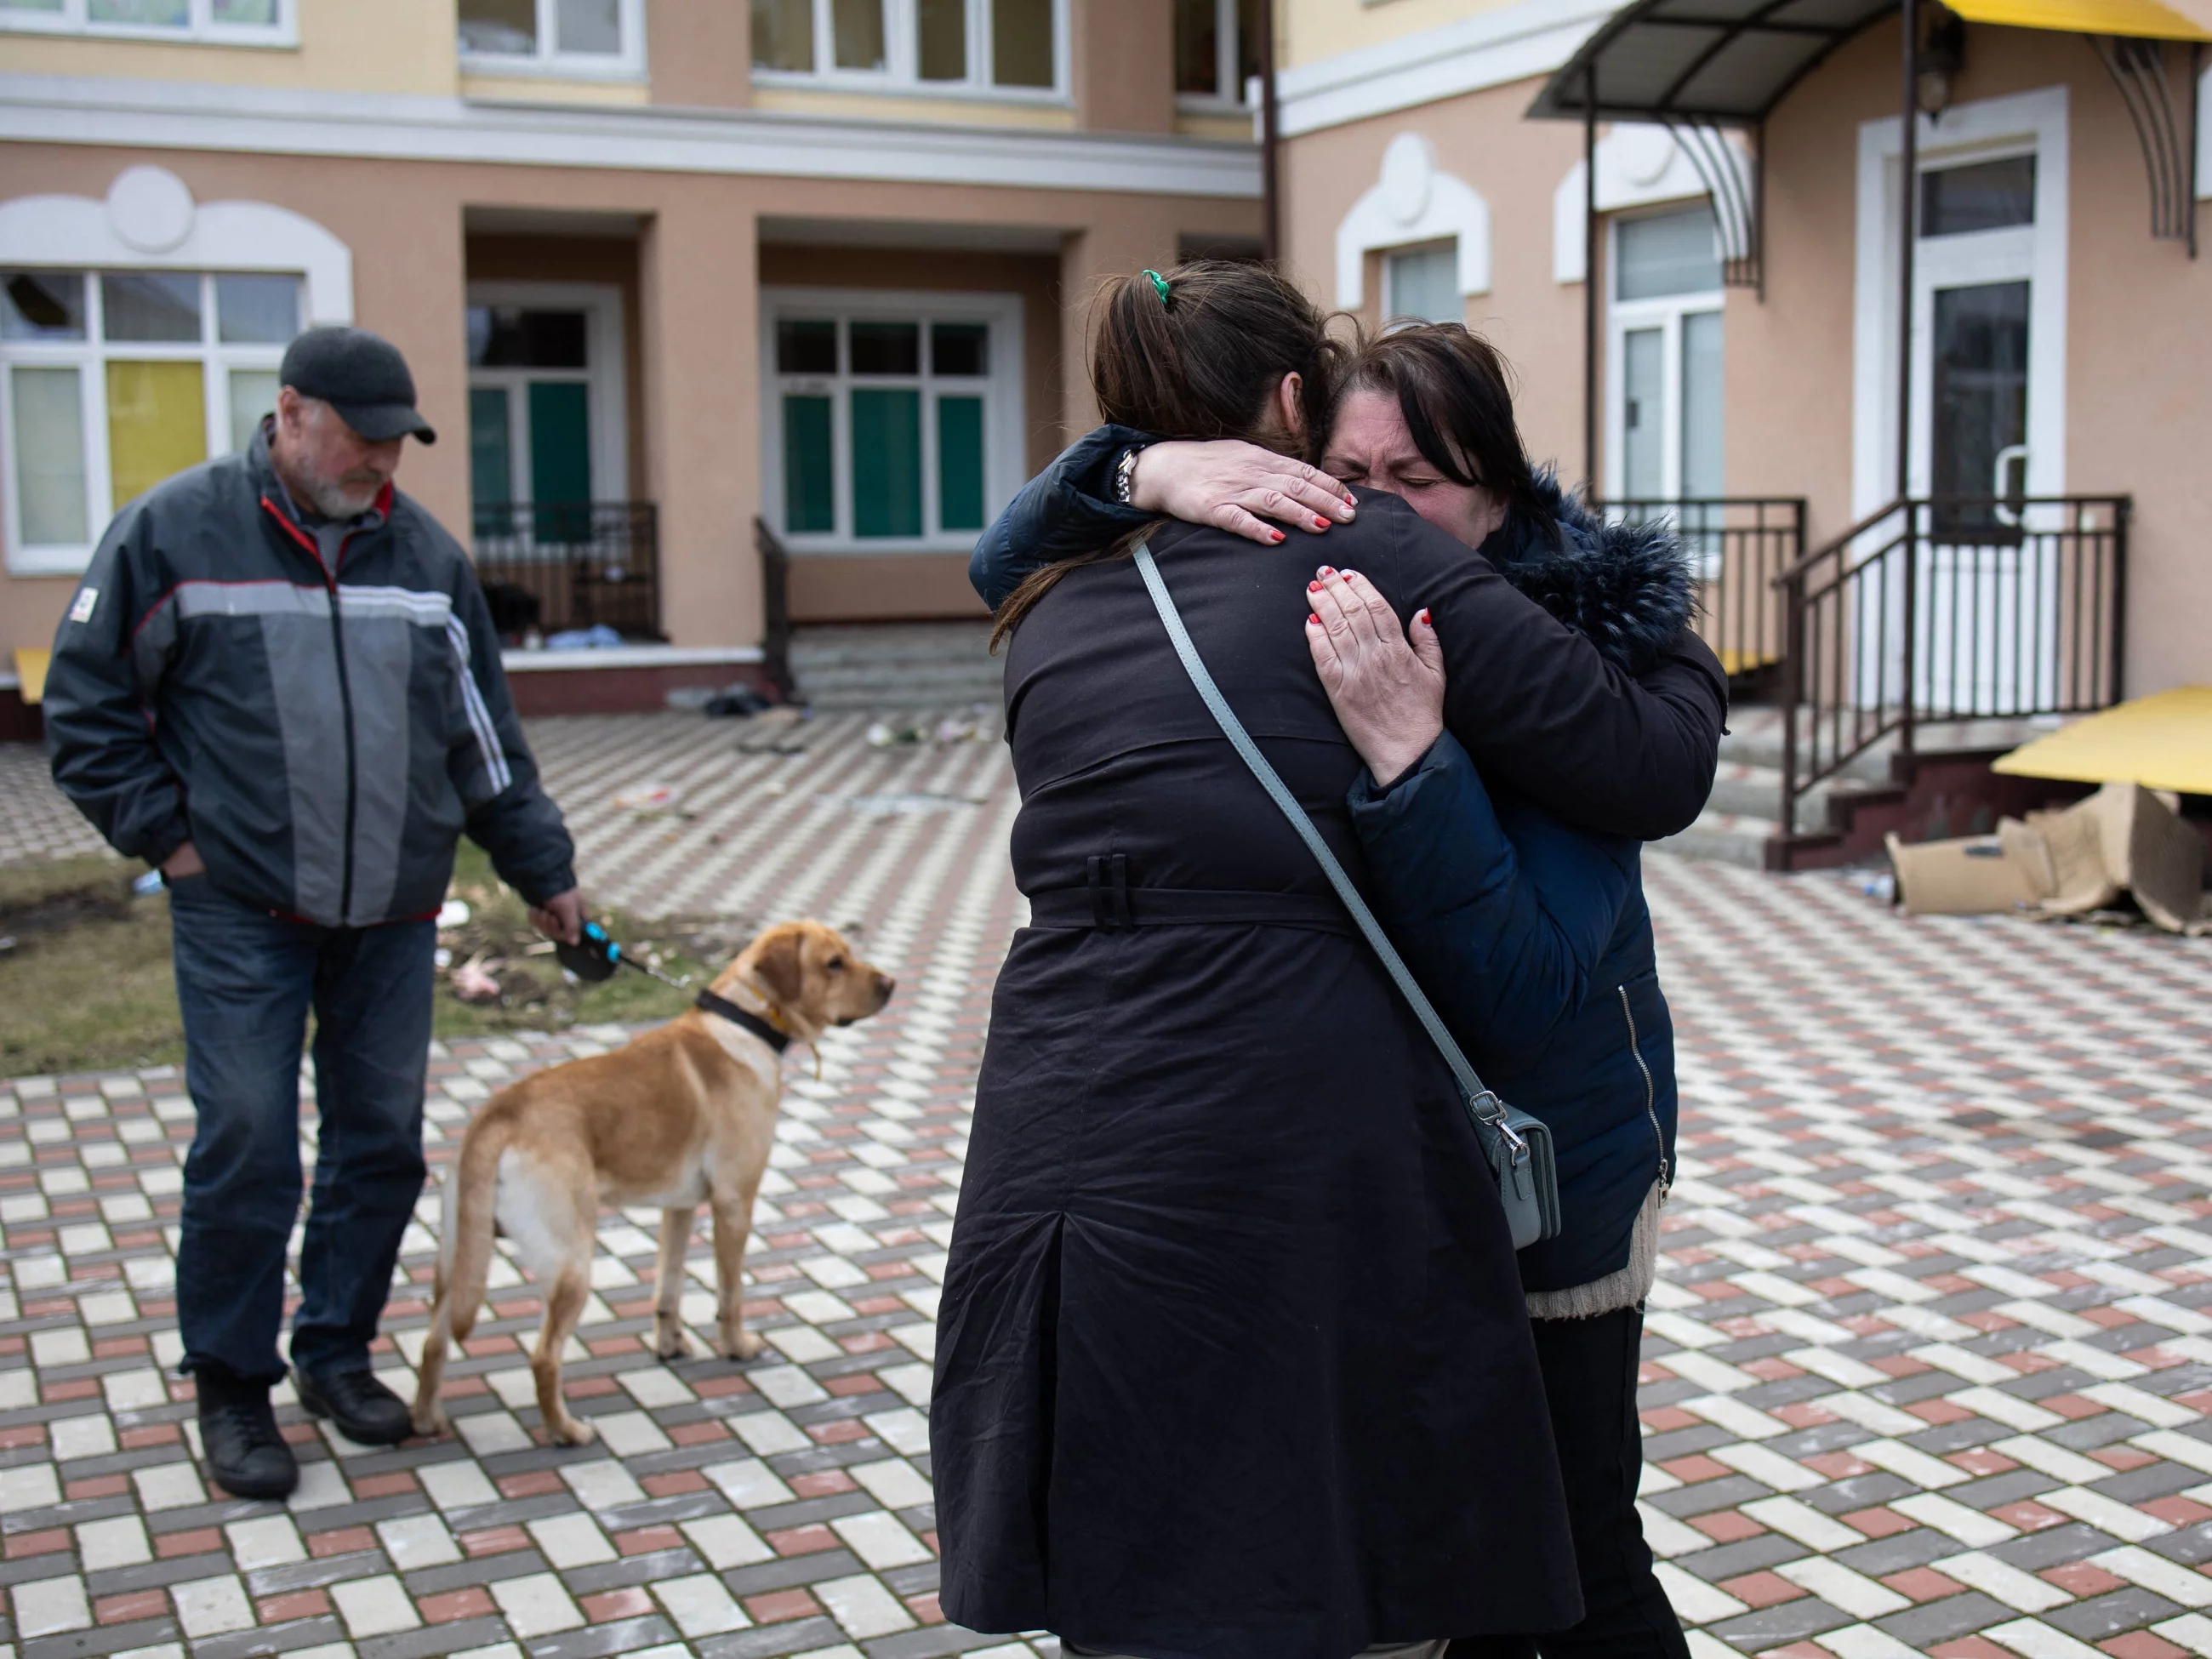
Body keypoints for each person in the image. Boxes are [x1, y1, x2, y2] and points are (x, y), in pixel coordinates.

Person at [931, 261, 1726, 1659]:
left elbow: (1620, 819)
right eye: (1351, 464)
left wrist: (1641, 642)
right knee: (1435, 1561)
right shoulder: (1349, 559)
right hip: (1345, 1152)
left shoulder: (1057, 604)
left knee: (1540, 1551)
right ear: (1292, 406)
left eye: (1411, 473)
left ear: (1504, 488)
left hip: (1140, 1129)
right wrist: (1156, 467)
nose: (1368, 497)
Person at [44, 327, 585, 1501]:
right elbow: (83, 708)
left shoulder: (426, 559)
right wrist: (173, 843)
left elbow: (481, 740)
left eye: (398, 441)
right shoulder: (172, 533)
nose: (383, 462)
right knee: (246, 1135)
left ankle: (333, 1350)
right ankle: (232, 1382)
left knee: (380, 1138)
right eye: (362, 436)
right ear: (289, 413)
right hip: (239, 905)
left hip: (392, 909)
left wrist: (543, 871)